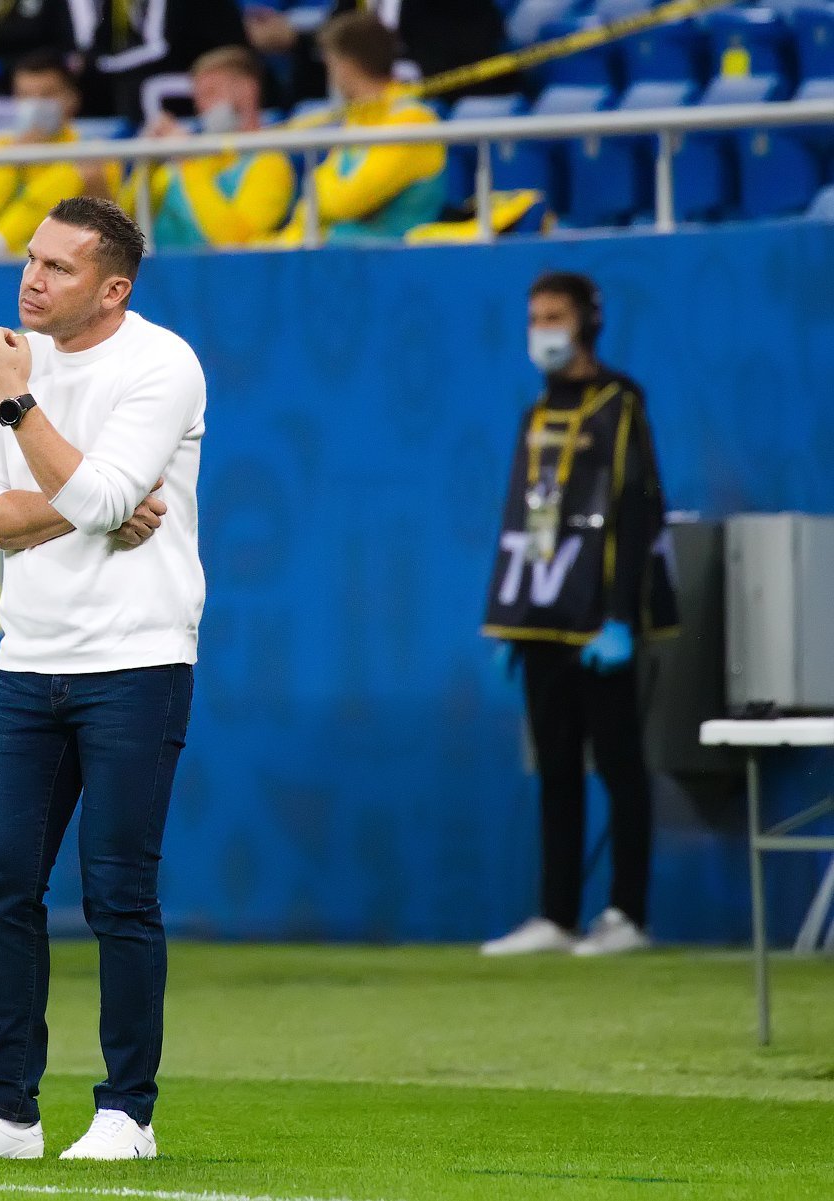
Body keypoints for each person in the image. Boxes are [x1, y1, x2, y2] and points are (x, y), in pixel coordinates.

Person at [0, 197, 204, 1161]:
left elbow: (108, 493)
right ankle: (6, 1110)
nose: (32, 279)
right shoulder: (13, 355)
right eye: (31, 259)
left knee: (119, 892)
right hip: (30, 658)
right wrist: (80, 506)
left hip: (137, 657)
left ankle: (127, 1114)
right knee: (2, 883)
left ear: (113, 288)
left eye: (58, 267)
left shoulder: (161, 363)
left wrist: (19, 407)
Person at [481, 272, 678, 958]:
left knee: (620, 765)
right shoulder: (537, 412)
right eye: (535, 317)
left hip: (599, 622)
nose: (543, 331)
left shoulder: (620, 404)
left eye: (555, 316)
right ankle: (557, 914)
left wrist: (621, 615)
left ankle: (627, 913)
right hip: (542, 616)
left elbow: (636, 510)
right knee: (556, 768)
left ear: (587, 323)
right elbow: (524, 513)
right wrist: (512, 616)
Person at [266, 14, 445, 244]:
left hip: (396, 252)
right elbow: (314, 200)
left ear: (346, 66)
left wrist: (319, 195)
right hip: (343, 245)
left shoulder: (412, 121)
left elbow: (347, 201)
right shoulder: (359, 119)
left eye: (330, 64)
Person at [0, 50, 120, 260]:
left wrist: (93, 182)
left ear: (72, 99)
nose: (36, 105)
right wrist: (12, 161)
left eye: (47, 95)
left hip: (64, 258)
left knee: (80, 166)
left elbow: (112, 225)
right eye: (25, 96)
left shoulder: (96, 152)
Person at [127, 46, 294, 249]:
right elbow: (124, 227)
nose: (201, 107)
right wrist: (147, 163)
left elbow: (235, 243)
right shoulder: (181, 163)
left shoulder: (270, 162)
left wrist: (188, 161)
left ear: (247, 89)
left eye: (211, 93)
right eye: (198, 97)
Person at [245, 0, 517, 108]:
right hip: (368, 102)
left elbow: (472, 44)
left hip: (433, 96)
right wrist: (294, 40)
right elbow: (337, 38)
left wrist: (392, 79)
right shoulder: (356, 3)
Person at [88, 0, 252, 123]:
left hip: (218, 64)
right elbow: (100, 42)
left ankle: (158, 147)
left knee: (148, 87)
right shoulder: (119, 4)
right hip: (183, 67)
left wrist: (101, 65)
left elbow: (158, 47)